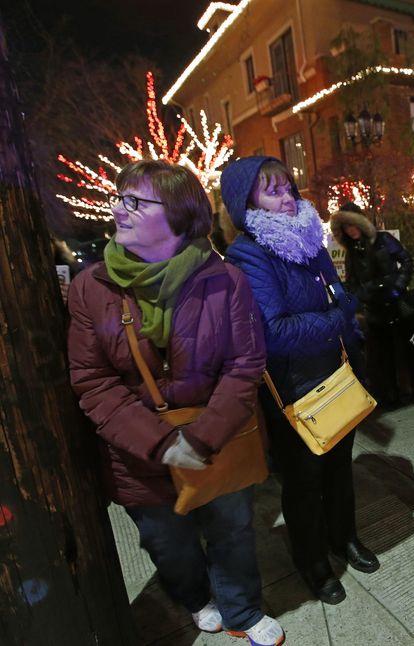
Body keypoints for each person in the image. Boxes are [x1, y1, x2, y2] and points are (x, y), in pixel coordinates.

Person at [67, 160, 284, 646]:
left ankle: (242, 610)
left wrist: (202, 438)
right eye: (120, 198)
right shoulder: (92, 288)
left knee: (232, 529)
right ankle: (194, 597)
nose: (119, 210)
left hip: (218, 440)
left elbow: (245, 365)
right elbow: (93, 381)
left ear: (180, 216)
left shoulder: (225, 280)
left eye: (135, 202)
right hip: (138, 456)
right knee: (168, 544)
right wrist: (162, 444)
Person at [221, 157, 378, 607]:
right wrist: (335, 317)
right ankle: (312, 562)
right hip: (292, 386)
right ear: (246, 202)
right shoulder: (249, 253)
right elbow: (275, 331)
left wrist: (348, 334)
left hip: (336, 373)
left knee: (340, 467)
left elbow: (343, 293)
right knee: (305, 481)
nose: (287, 197)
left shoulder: (310, 238)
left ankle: (344, 536)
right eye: (272, 191)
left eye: (288, 187)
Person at [330, 202, 414, 408]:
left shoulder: (383, 240)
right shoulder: (352, 252)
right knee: (383, 354)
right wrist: (356, 295)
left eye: (353, 225)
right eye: (346, 228)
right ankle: (392, 395)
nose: (351, 231)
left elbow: (406, 260)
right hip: (375, 308)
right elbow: (352, 281)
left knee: (408, 349)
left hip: (397, 303)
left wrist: (398, 286)